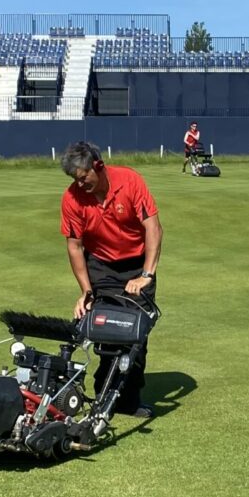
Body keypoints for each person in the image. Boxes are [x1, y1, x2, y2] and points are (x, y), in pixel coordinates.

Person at [59, 140, 160, 419]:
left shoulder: (129, 181)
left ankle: (128, 400)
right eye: (74, 180)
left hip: (136, 264)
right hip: (101, 265)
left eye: (83, 178)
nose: (80, 185)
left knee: (136, 336)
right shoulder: (72, 199)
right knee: (108, 331)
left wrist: (146, 275)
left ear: (98, 166)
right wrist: (86, 291)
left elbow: (152, 228)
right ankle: (104, 394)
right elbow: (75, 247)